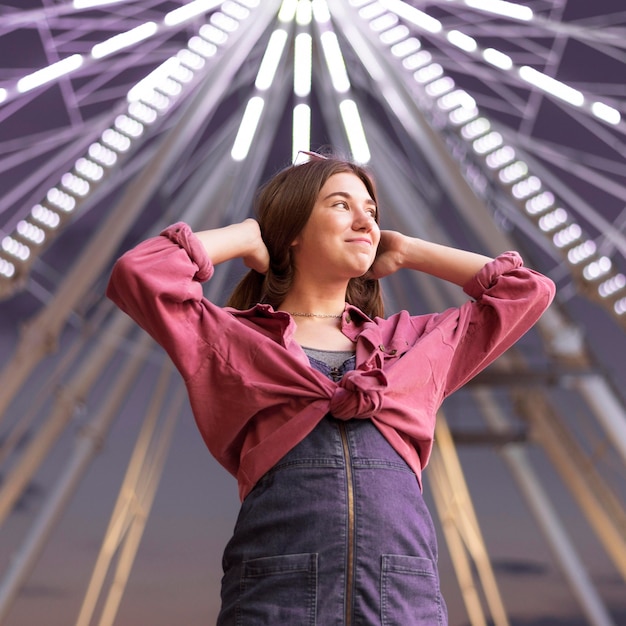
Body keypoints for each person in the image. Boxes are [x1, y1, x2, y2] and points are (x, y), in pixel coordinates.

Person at [106, 152, 555, 625]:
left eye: (372, 212)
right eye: (341, 205)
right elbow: (141, 273)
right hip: (276, 595)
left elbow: (526, 291)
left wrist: (408, 250)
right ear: (294, 229)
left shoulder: (411, 344)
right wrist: (247, 237)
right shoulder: (233, 339)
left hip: (402, 597)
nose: (365, 221)